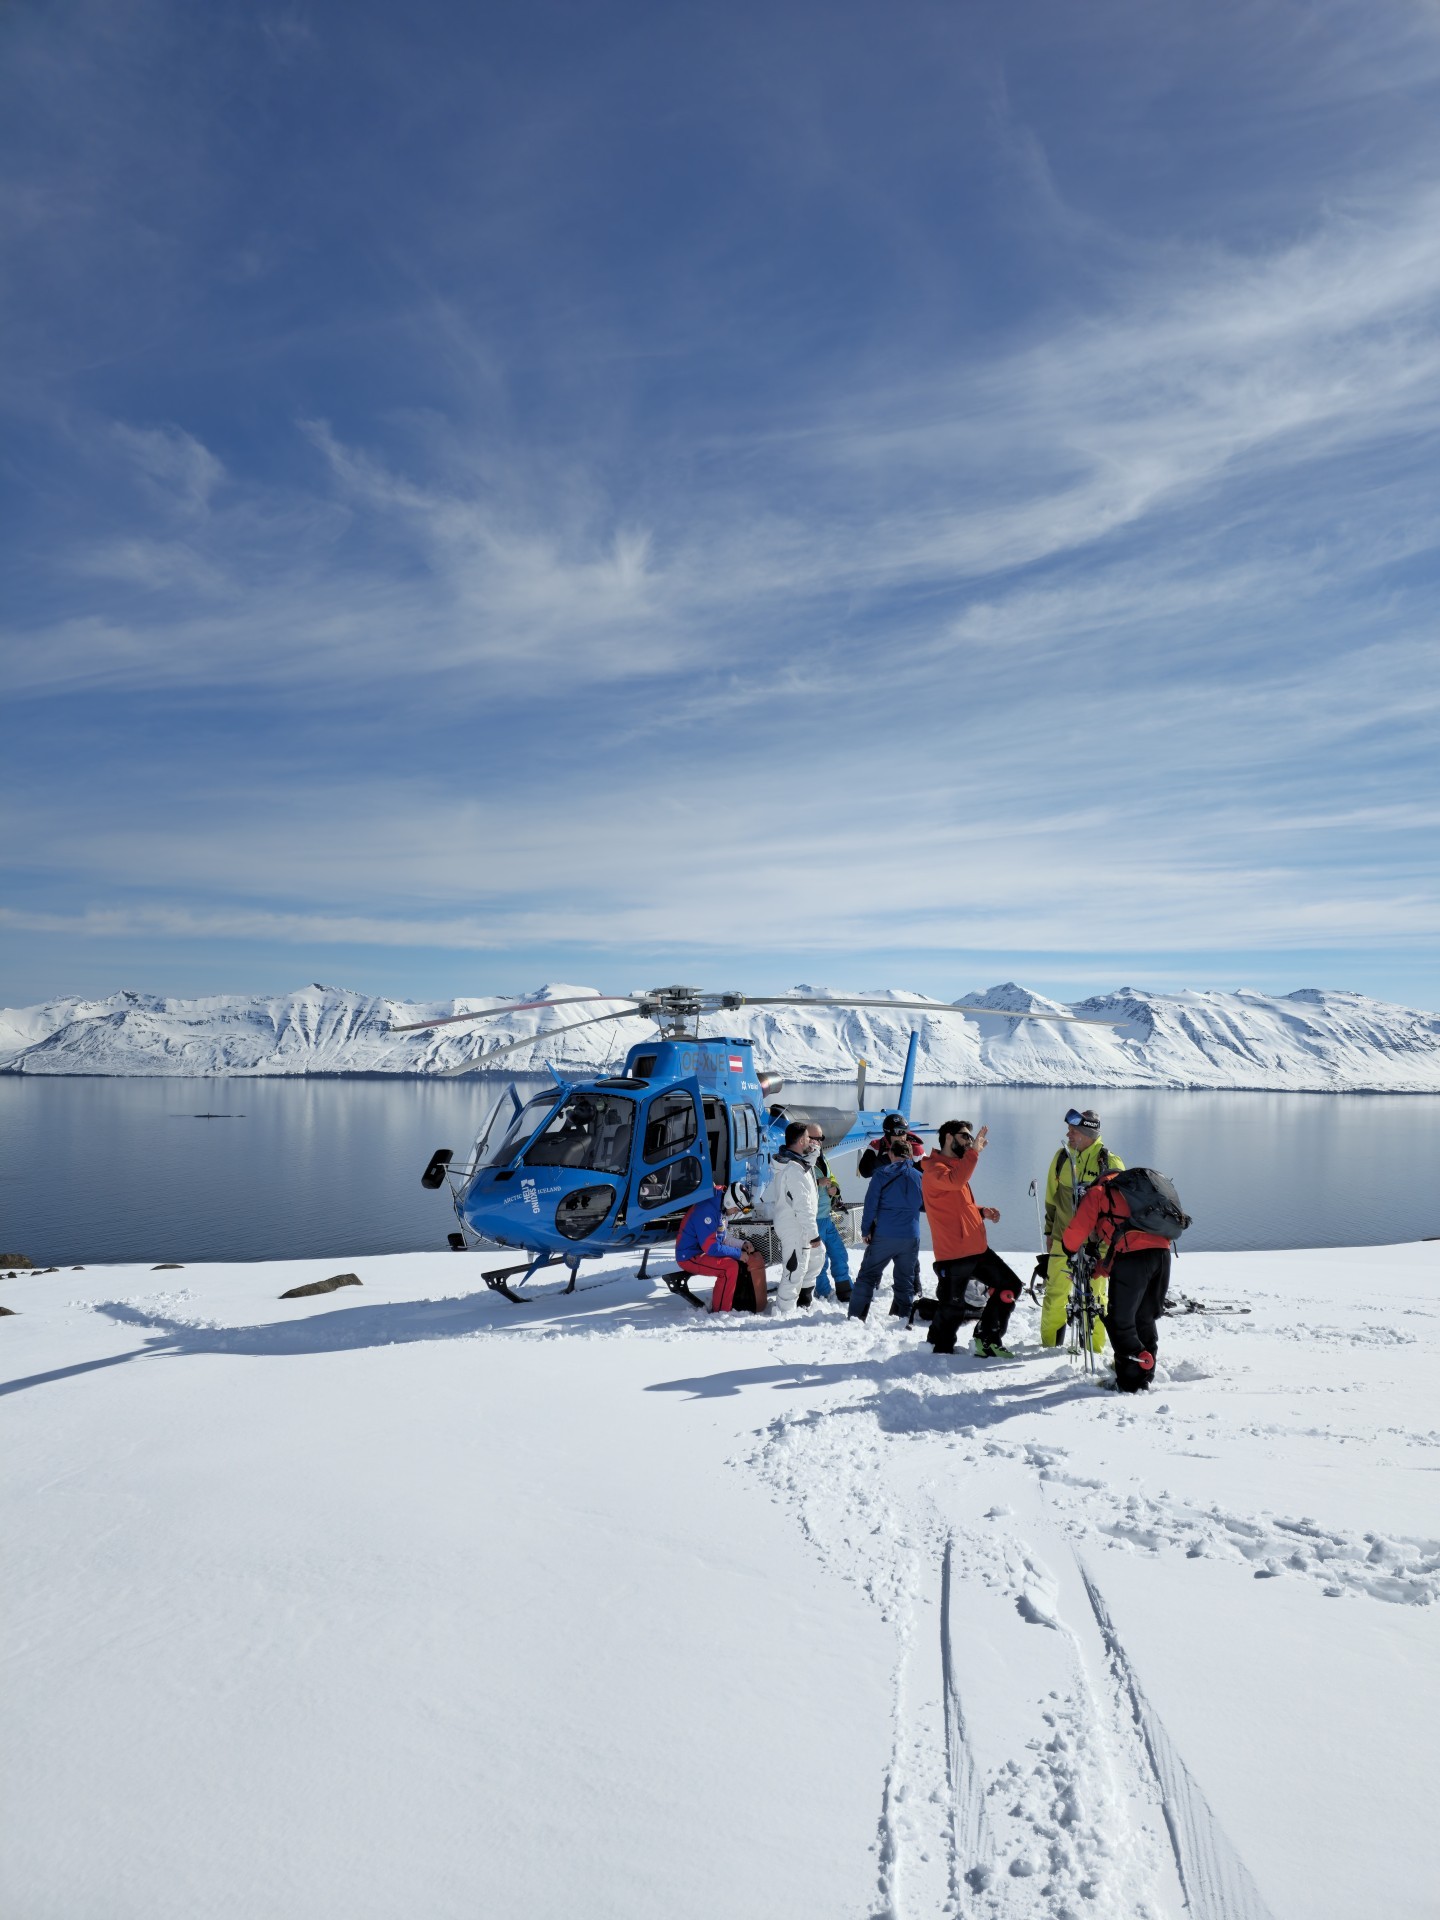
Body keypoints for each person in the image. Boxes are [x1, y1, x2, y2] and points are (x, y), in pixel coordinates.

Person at [921, 1120, 1024, 1358]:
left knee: (1010, 1286)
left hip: (977, 1249)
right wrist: (974, 1152)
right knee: (952, 1307)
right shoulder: (934, 1169)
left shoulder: (956, 1167)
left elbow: (957, 1205)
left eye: (970, 1138)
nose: (969, 1141)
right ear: (949, 1137)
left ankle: (987, 1339)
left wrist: (981, 1212)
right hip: (953, 1253)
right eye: (964, 1137)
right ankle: (937, 1350)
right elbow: (954, 1182)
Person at [1062, 1170, 1171, 1391]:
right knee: (1145, 1317)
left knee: (1121, 1322)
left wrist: (1069, 1249)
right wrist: (1100, 1269)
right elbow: (1126, 1243)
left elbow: (1078, 1229)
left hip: (1133, 1258)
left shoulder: (1098, 1192)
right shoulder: (1135, 1195)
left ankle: (1130, 1379)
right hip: (1162, 1255)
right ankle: (1144, 1376)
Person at [1039, 1108, 1123, 1350]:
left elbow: (1120, 1208)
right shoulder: (1062, 1157)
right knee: (1055, 1294)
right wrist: (1049, 1232)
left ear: (1088, 1132)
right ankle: (1049, 1347)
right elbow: (1051, 1198)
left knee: (1097, 1299)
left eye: (1073, 1131)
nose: (1069, 1134)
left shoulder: (1110, 1162)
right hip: (1063, 1239)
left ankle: (1093, 1349)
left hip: (1099, 1246)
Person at [849, 1136, 923, 1321]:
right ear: (910, 1155)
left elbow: (870, 1204)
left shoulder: (881, 1174)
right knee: (905, 1278)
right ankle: (903, 1317)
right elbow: (926, 1205)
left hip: (885, 1234)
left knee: (868, 1275)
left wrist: (866, 1230)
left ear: (890, 1153)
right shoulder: (920, 1177)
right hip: (911, 1236)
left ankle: (857, 1316)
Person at [676, 1183, 766, 1311]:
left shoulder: (720, 1209)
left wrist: (742, 1244)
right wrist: (738, 1254)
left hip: (700, 1251)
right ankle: (721, 1311)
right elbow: (711, 1247)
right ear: (730, 1202)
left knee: (733, 1263)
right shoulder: (708, 1211)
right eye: (737, 1209)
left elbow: (722, 1239)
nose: (736, 1212)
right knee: (729, 1267)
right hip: (689, 1256)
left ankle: (729, 1304)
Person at [770, 1120, 825, 1311]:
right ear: (801, 1140)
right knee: (794, 1270)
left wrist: (815, 1152)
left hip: (798, 1225)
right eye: (808, 1138)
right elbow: (803, 1205)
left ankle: (804, 1300)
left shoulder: (797, 1164)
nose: (812, 1141)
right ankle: (785, 1311)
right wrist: (813, 1234)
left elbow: (806, 1164)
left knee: (817, 1257)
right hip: (795, 1227)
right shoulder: (793, 1169)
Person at [807, 1122, 852, 1303]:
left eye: (821, 1138)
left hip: (826, 1216)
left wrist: (835, 1188)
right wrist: (818, 1184)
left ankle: (845, 1289)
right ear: (805, 1138)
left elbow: (832, 1178)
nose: (818, 1142)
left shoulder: (822, 1158)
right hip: (813, 1219)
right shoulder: (800, 1161)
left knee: (839, 1253)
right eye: (814, 1138)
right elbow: (797, 1187)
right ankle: (823, 1293)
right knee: (820, 1260)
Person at [856, 1112, 925, 1178]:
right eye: (898, 1134)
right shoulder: (876, 1146)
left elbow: (926, 1174)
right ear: (888, 1135)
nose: (902, 1137)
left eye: (904, 1133)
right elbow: (864, 1172)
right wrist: (885, 1160)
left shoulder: (915, 1149)